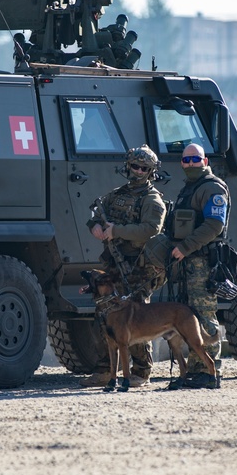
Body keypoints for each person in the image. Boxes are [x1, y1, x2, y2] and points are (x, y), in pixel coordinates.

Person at [82, 145, 167, 388]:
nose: (138, 171)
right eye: (135, 166)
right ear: (127, 166)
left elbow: (151, 230)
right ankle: (106, 370)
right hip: (113, 266)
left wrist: (116, 231)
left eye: (144, 168)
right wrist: (95, 227)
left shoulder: (152, 200)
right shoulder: (116, 195)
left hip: (138, 268)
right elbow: (97, 216)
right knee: (105, 315)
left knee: (138, 317)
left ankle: (141, 370)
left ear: (151, 172)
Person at [165, 143, 229, 389]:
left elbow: (215, 225)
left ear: (204, 161)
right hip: (188, 263)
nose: (190, 164)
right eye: (186, 160)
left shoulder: (212, 188)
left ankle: (210, 371)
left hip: (202, 261)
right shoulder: (190, 189)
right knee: (189, 317)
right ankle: (195, 369)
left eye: (195, 159)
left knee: (203, 315)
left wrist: (185, 247)